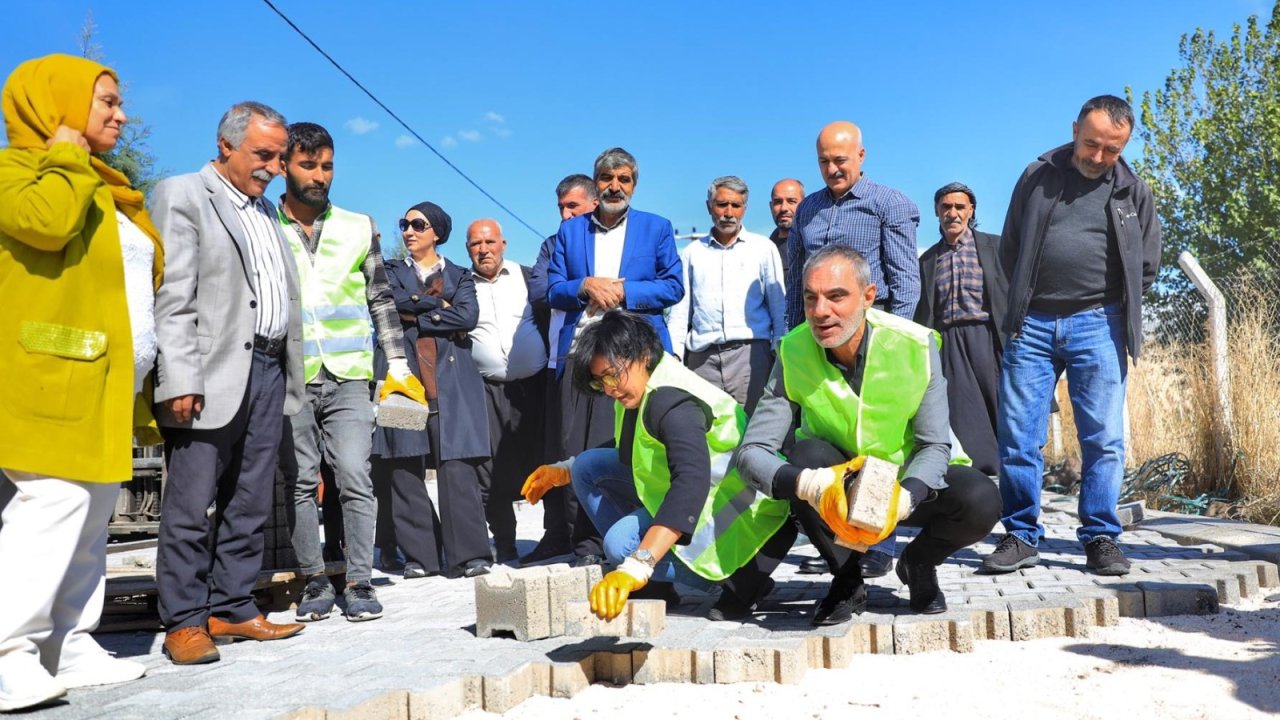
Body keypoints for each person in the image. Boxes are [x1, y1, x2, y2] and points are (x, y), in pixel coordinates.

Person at [0, 53, 161, 710]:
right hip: (46, 372)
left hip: (105, 378)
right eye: (105, 103)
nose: (121, 116)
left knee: (91, 511)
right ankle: (8, 650)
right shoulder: (16, 171)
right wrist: (64, 157)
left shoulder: (103, 184)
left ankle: (68, 642)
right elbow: (46, 224)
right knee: (53, 504)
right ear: (59, 104)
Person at [736, 245, 1000, 624]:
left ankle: (918, 563)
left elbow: (934, 444)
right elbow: (753, 451)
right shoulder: (792, 349)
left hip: (906, 480)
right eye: (811, 298)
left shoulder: (915, 343)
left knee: (982, 498)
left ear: (868, 297)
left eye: (836, 296)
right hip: (837, 482)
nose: (820, 311)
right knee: (804, 457)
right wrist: (808, 484)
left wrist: (905, 499)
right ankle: (847, 580)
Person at [150, 101, 306, 665]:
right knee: (191, 504)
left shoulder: (267, 213)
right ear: (225, 145)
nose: (274, 167)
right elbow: (173, 298)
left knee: (249, 500)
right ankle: (185, 622)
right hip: (209, 373)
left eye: (279, 157)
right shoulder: (184, 194)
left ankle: (232, 607)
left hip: (267, 370)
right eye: (263, 154)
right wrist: (179, 376)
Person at [983, 95, 1161, 577]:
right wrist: (1025, 303)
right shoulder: (1036, 177)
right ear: (1074, 129)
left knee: (1103, 438)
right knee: (1019, 437)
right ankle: (1020, 534)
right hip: (1032, 323)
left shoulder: (1133, 192)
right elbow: (1011, 248)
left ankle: (1100, 536)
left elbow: (1147, 265)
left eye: (1112, 149)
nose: (1099, 157)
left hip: (1099, 325)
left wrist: (1111, 307)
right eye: (1091, 144)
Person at [521, 311, 791, 622]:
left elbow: (690, 481)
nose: (609, 389)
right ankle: (659, 585)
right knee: (587, 468)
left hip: (740, 517)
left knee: (619, 545)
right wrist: (565, 470)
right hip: (704, 497)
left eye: (612, 375)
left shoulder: (671, 400)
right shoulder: (642, 387)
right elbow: (631, 449)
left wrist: (638, 563)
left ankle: (737, 580)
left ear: (643, 354)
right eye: (600, 383)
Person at [274, 122, 424, 623]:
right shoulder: (264, 225)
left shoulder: (359, 226)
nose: (319, 176)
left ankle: (359, 581)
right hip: (290, 375)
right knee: (298, 481)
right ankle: (314, 578)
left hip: (350, 375)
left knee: (355, 474)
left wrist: (397, 362)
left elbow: (379, 297)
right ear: (283, 166)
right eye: (308, 165)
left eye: (327, 166)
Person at [784, 120, 923, 577]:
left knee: (877, 442)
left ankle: (879, 544)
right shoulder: (806, 210)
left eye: (840, 160)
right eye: (823, 161)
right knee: (829, 442)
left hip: (872, 340)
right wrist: (794, 338)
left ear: (861, 156)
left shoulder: (890, 204)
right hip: (820, 342)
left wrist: (893, 346)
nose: (831, 168)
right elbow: (794, 284)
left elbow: (905, 280)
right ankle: (842, 539)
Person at [545, 148, 684, 567]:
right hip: (584, 356)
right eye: (607, 178)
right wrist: (584, 285)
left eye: (624, 179)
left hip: (635, 357)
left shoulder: (656, 228)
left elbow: (673, 286)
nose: (615, 186)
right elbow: (552, 290)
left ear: (634, 185)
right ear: (596, 183)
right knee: (580, 450)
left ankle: (643, 542)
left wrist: (625, 292)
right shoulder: (570, 234)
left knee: (630, 448)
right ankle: (586, 547)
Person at [370, 201, 493, 579]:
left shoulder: (461, 275)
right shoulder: (389, 271)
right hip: (401, 378)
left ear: (436, 232)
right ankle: (421, 557)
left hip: (452, 382)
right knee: (403, 465)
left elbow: (468, 317)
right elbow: (387, 301)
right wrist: (438, 306)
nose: (408, 231)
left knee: (457, 466)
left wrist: (417, 312)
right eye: (404, 224)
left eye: (418, 224)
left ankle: (470, 556)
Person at [520, 173, 598, 565]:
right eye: (562, 208)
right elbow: (540, 291)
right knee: (560, 449)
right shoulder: (552, 246)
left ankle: (591, 537)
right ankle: (559, 534)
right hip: (561, 362)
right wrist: (583, 285)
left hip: (602, 362)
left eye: (574, 207)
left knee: (595, 450)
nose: (566, 215)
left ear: (594, 205)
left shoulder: (605, 245)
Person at [465, 218, 549, 564]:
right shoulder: (460, 286)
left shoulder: (529, 278)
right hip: (487, 390)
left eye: (489, 242)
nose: (483, 250)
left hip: (536, 387)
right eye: (475, 244)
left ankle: (556, 536)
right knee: (492, 469)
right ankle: (506, 542)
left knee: (545, 460)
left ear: (503, 244)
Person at [667, 176, 786, 414]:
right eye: (722, 204)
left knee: (752, 428)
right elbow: (680, 312)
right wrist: (675, 356)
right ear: (709, 206)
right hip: (703, 360)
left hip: (751, 357)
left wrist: (779, 353)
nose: (729, 212)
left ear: (745, 208)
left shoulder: (763, 249)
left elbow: (778, 306)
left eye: (736, 205)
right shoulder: (692, 253)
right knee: (708, 431)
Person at [913, 182, 1009, 476]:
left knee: (1002, 404)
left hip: (988, 337)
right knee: (963, 411)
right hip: (949, 343)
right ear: (937, 211)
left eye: (959, 207)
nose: (952, 213)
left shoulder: (996, 247)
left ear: (971, 211)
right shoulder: (928, 260)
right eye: (946, 207)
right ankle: (982, 475)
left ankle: (1014, 472)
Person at [768, 178, 804, 284]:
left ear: (805, 204)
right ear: (771, 207)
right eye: (778, 202)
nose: (784, 208)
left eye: (791, 201)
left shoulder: (814, 244)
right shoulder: (764, 250)